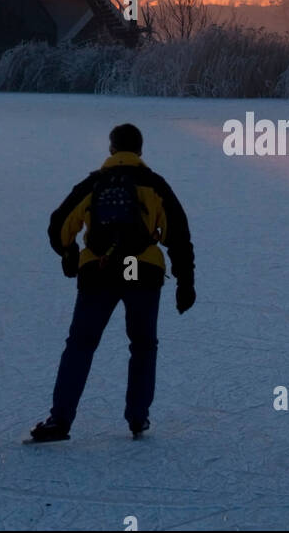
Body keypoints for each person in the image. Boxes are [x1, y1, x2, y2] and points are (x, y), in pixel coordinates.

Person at [29, 122, 195, 443]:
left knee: (80, 344)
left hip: (100, 270)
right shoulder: (154, 184)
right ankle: (137, 418)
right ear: (140, 150)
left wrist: (69, 253)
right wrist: (185, 283)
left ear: (111, 150)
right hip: (139, 269)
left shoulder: (95, 183)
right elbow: (179, 236)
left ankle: (59, 420)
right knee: (143, 345)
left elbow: (58, 224)